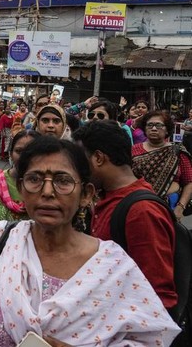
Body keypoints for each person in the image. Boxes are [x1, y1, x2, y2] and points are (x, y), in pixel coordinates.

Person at [0, 135, 181, 346]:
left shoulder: (113, 266)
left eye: (62, 181)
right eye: (35, 180)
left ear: (86, 194)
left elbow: (150, 339)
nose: (47, 192)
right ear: (22, 189)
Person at [73, 120, 177, 309]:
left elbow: (159, 295)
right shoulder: (106, 199)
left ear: (98, 158)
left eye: (80, 161)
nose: (77, 170)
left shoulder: (142, 211)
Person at [0, 130, 40, 238]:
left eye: (31, 152)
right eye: (19, 151)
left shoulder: (46, 187)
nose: (24, 157)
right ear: (10, 153)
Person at [131, 110, 192, 219]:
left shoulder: (177, 151)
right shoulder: (134, 150)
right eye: (150, 125)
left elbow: (189, 182)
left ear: (167, 129)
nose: (154, 128)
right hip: (137, 205)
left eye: (159, 125)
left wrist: (180, 207)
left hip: (170, 208)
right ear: (144, 128)